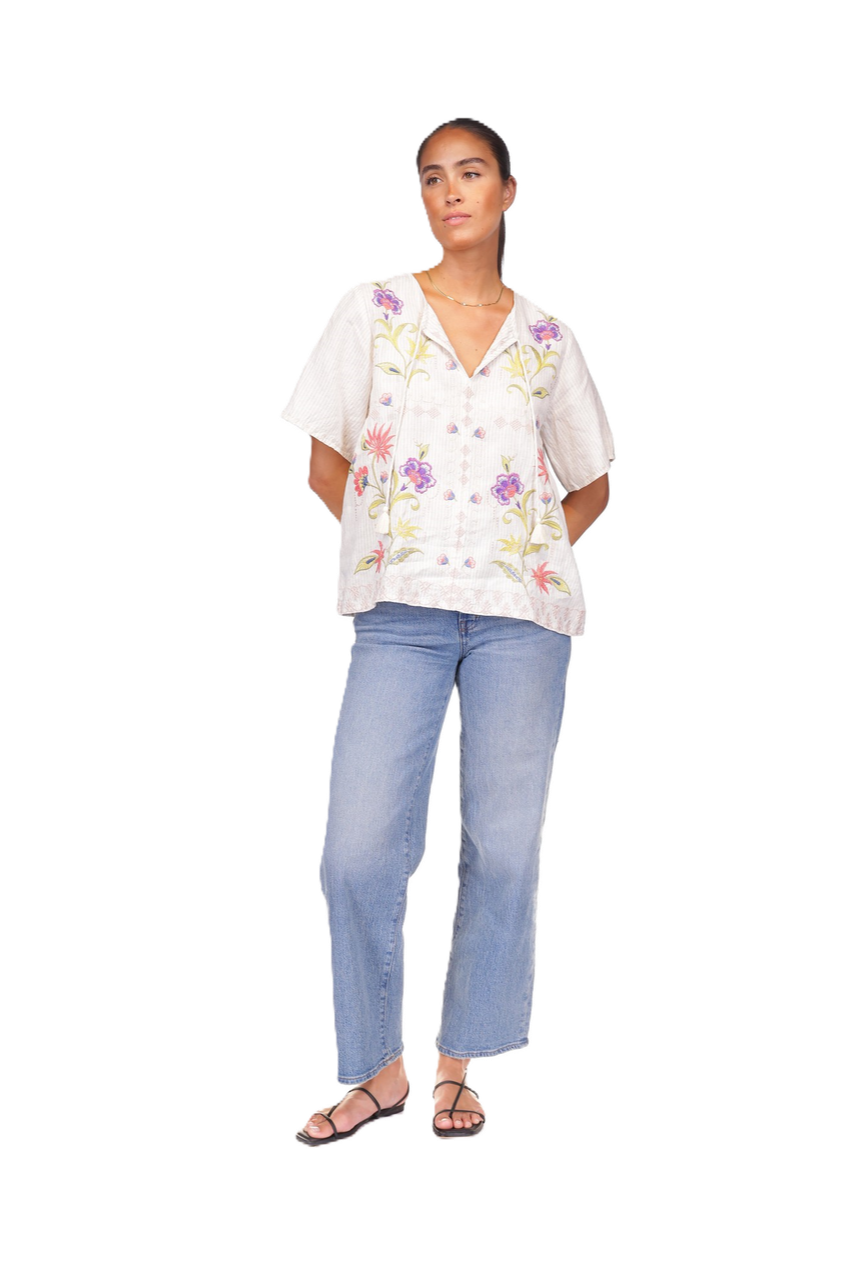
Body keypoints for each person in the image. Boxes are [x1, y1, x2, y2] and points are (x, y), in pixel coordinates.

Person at [282, 116, 616, 1144]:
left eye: (470, 173)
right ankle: (377, 1071)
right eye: (431, 177)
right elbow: (326, 464)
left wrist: (523, 553)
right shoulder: (371, 309)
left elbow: (592, 481)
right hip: (401, 615)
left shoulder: (550, 339)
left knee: (503, 849)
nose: (449, 192)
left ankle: (457, 1066)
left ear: (508, 191)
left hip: (523, 622)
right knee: (356, 851)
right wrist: (398, 543)